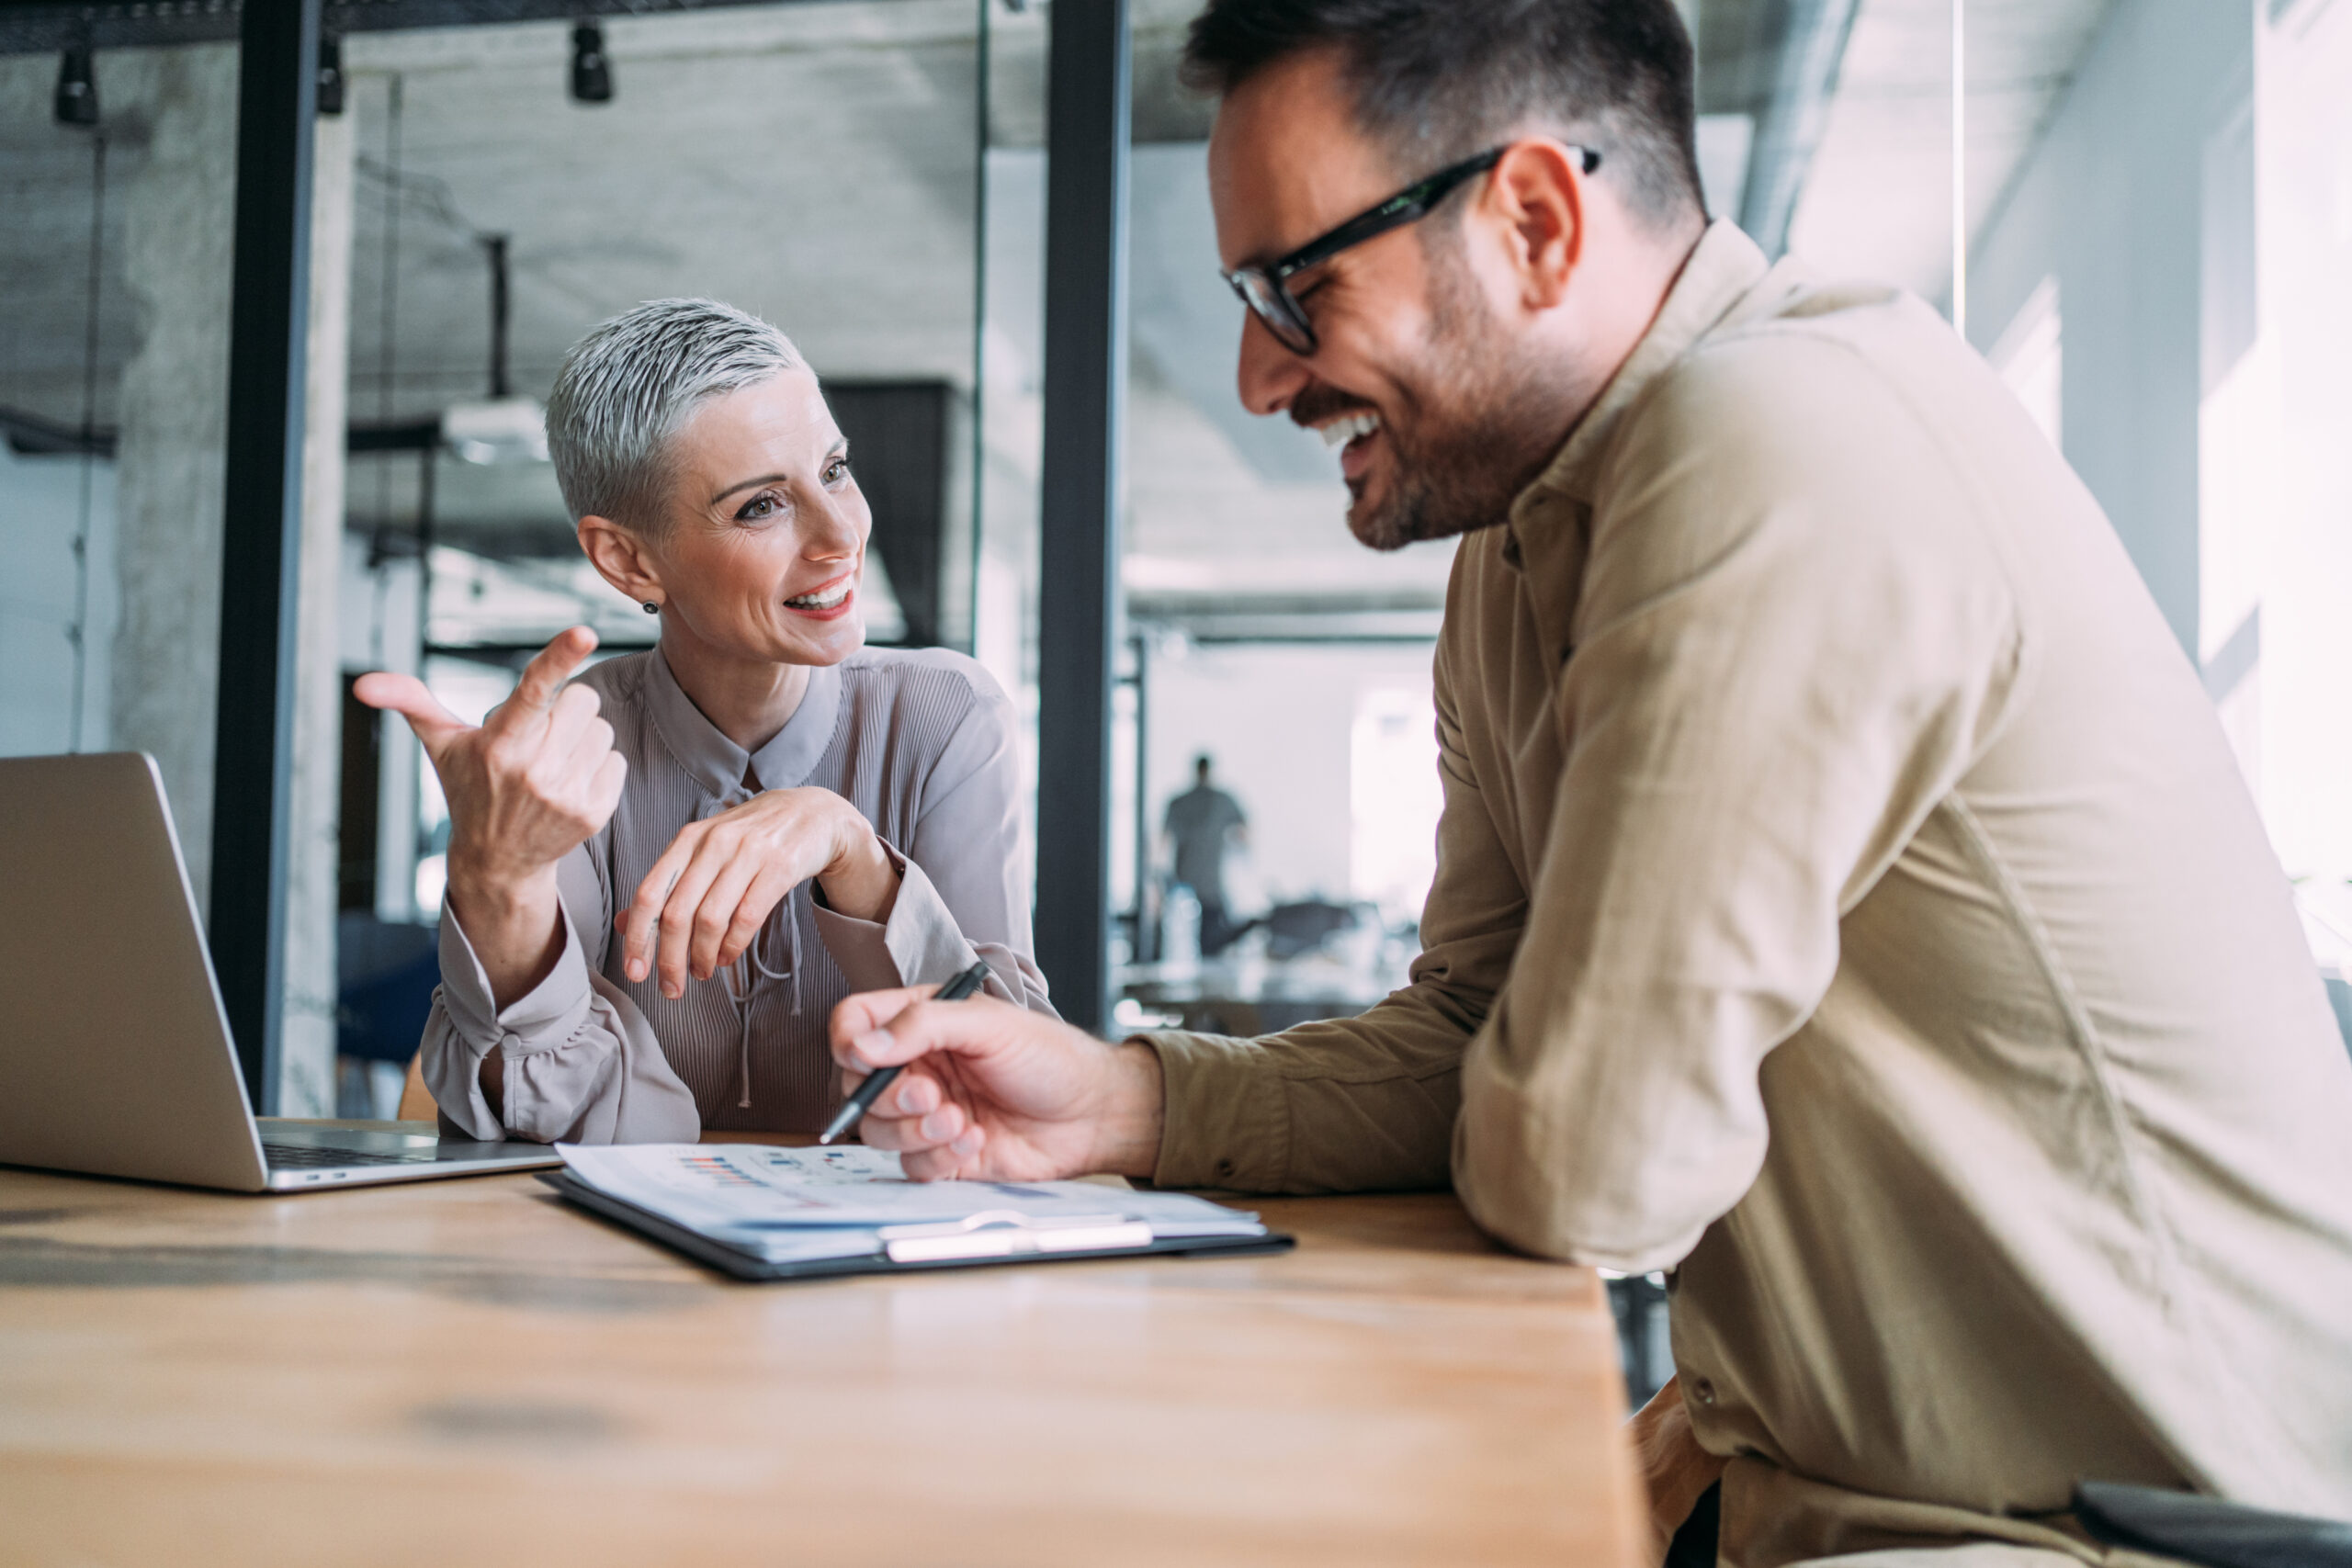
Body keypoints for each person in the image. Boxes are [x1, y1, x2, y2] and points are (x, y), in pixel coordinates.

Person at [824, 2, 2352, 1563]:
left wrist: (1543, 1127)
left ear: (1537, 220)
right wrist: (1130, 1098)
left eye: (1298, 285)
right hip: (1818, 1495)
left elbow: (1582, 1165)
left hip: (2146, 1528)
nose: (1256, 377)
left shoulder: (1777, 432)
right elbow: (1482, 1045)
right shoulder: (1512, 547)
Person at [359, 298, 1048, 1144]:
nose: (841, 535)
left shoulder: (946, 718)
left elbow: (1017, 1091)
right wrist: (493, 883)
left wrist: (852, 851)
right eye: (762, 505)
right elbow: (560, 1127)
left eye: (834, 470)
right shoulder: (561, 754)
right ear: (629, 559)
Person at [1161, 753, 1249, 955]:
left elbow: (1163, 840)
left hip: (1184, 880)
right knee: (1210, 942)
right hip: (1207, 884)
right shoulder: (1221, 800)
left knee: (1187, 940)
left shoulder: (1179, 802)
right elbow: (1243, 833)